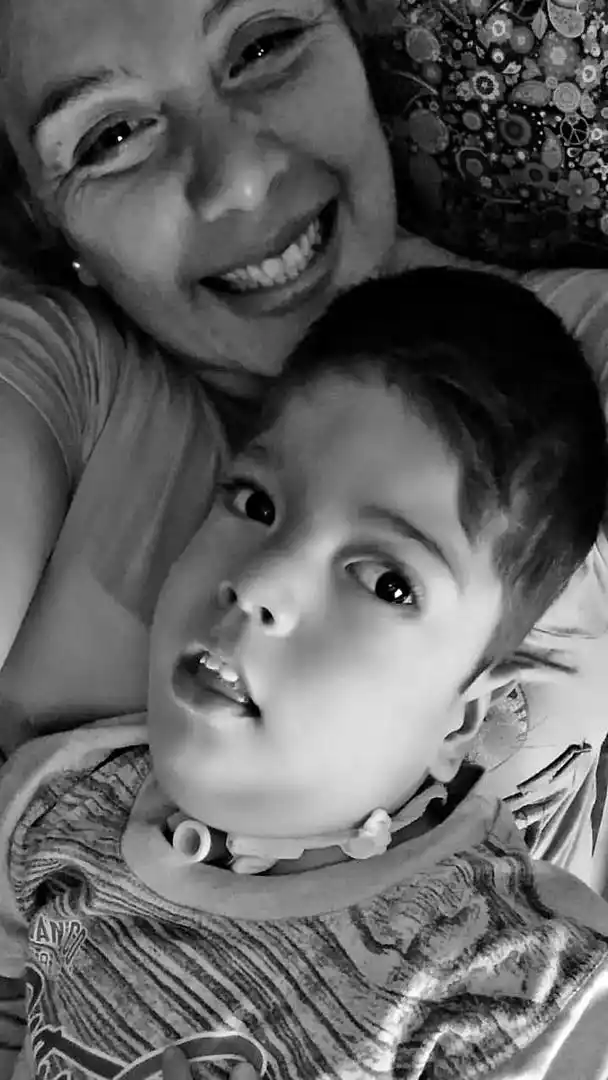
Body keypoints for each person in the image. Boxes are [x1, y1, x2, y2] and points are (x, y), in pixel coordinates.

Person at [0, 0, 607, 887]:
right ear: (44, 220)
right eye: (112, 137)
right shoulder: (47, 370)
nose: (241, 181)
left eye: (265, 45)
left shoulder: (591, 358)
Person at [2, 269, 608, 1080]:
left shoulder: (512, 985)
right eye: (255, 503)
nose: (257, 583)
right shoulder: (55, 804)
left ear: (463, 718)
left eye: (387, 582)